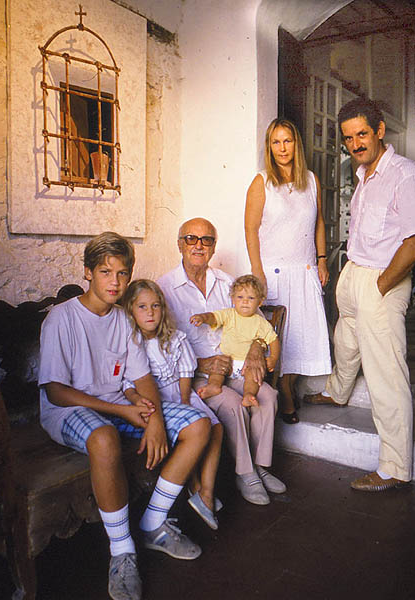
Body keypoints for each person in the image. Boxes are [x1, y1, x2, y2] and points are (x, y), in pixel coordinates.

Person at [39, 232, 212, 600]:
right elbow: (55, 391)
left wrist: (155, 421)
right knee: (104, 438)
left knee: (199, 424)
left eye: (122, 273)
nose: (115, 282)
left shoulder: (123, 318)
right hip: (69, 411)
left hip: (119, 406)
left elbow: (142, 378)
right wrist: (124, 411)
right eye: (105, 272)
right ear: (88, 272)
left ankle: (153, 524)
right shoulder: (61, 318)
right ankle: (122, 552)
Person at [305, 98, 415, 492]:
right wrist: (352, 278)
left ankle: (394, 467)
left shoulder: (405, 175)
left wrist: (380, 285)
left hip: (383, 280)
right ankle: (338, 392)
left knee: (385, 374)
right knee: (345, 339)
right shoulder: (363, 174)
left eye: (362, 134)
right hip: (355, 273)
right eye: (348, 138)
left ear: (379, 131)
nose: (355, 143)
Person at [158, 218, 286, 506]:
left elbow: (257, 325)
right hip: (196, 374)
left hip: (236, 367)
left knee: (267, 396)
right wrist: (201, 364)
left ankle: (260, 467)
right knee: (231, 403)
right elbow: (161, 345)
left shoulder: (228, 283)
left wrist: (257, 347)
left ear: (214, 247)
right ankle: (245, 473)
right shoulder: (164, 289)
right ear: (179, 244)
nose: (198, 246)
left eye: (206, 240)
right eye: (191, 239)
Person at [245, 117, 332, 424]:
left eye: (287, 141)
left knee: (303, 335)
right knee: (281, 336)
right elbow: (251, 229)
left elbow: (319, 222)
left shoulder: (311, 180)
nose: (282, 148)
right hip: (275, 272)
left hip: (304, 269)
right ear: (269, 147)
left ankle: (288, 385)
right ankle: (283, 389)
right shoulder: (261, 182)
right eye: (276, 142)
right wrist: (257, 272)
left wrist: (322, 259)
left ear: (296, 144)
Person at [121, 278, 223, 530]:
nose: (150, 312)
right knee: (195, 431)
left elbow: (185, 371)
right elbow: (128, 384)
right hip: (156, 399)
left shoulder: (174, 338)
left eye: (155, 306)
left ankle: (206, 491)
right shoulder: (131, 343)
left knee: (216, 427)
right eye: (142, 307)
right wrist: (136, 399)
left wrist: (186, 400)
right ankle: (195, 487)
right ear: (130, 310)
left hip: (180, 393)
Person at [190, 274, 280, 407]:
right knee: (218, 368)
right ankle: (214, 386)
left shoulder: (261, 323)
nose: (245, 301)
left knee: (253, 377)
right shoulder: (229, 314)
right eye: (240, 297)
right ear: (233, 299)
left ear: (260, 302)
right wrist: (203, 318)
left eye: (251, 298)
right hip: (228, 360)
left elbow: (273, 340)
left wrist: (273, 358)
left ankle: (248, 395)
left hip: (246, 364)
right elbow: (214, 317)